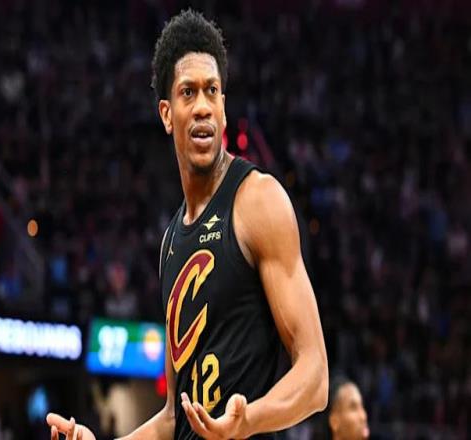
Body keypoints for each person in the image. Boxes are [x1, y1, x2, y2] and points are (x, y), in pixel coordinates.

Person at [47, 9, 328, 440]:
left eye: (211, 91)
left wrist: (247, 420)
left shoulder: (258, 200)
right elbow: (172, 418)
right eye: (188, 92)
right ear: (166, 114)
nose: (201, 107)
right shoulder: (170, 242)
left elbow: (315, 376)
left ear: (223, 108)